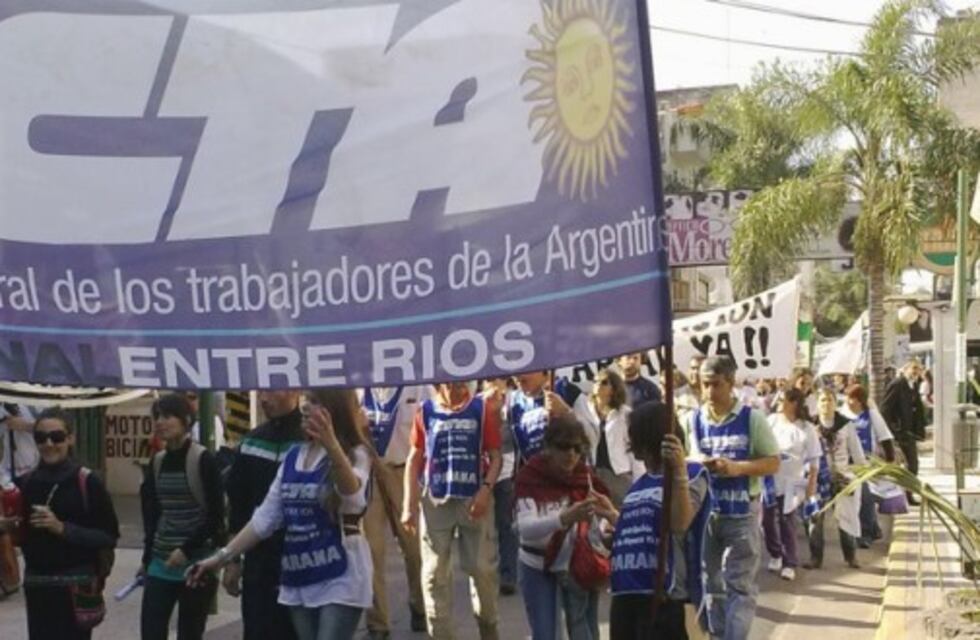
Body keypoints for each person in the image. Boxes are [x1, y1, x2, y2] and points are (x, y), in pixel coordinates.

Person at [189, 389, 374, 640]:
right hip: (298, 574)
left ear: (333, 410)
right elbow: (264, 519)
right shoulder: (293, 457)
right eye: (306, 403)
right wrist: (221, 558)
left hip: (340, 574)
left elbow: (352, 495)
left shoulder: (356, 453)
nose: (306, 409)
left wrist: (331, 445)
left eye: (315, 403)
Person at [0, 407, 119, 640]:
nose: (48, 444)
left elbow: (108, 536)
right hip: (38, 587)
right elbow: (21, 534)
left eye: (56, 437)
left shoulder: (87, 481)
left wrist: (62, 528)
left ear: (70, 438)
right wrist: (8, 526)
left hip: (76, 588)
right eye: (41, 438)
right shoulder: (26, 482)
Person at [401, 381, 502, 640]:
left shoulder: (480, 408)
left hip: (474, 500)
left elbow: (496, 455)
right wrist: (408, 505)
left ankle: (488, 629)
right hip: (436, 500)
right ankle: (442, 635)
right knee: (434, 573)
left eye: (459, 380)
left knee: (480, 569)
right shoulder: (425, 410)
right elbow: (414, 458)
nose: (455, 386)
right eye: (447, 380)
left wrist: (486, 490)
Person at [688, 356, 779, 640]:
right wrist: (700, 462)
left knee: (739, 586)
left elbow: (773, 462)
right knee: (711, 583)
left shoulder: (752, 418)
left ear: (731, 383)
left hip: (742, 513)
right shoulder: (694, 418)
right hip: (708, 514)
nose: (710, 392)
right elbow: (689, 459)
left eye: (716, 385)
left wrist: (737, 467)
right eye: (705, 385)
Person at [609, 401, 712, 640]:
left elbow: (679, 523)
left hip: (666, 598)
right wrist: (613, 523)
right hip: (627, 593)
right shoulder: (638, 485)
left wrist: (677, 472)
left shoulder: (693, 475)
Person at [514, 413, 617, 640]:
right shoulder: (530, 476)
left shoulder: (584, 477)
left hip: (575, 565)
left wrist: (606, 521)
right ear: (549, 448)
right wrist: (564, 519)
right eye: (563, 447)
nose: (570, 454)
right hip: (537, 565)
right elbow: (526, 529)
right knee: (546, 634)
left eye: (577, 448)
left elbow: (601, 520)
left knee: (585, 630)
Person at [140, 394, 226, 640]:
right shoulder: (157, 462)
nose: (160, 422)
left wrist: (187, 549)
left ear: (186, 420)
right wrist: (147, 558)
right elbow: (153, 514)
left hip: (197, 564)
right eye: (156, 417)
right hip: (161, 561)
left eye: (167, 416)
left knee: (190, 632)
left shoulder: (203, 460)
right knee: (151, 630)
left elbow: (216, 517)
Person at [224, 390, 304, 640]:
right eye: (262, 391)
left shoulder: (313, 441)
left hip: (303, 561)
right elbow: (238, 506)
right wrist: (233, 561)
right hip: (259, 564)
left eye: (273, 390)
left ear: (295, 391)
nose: (264, 398)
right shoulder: (251, 443)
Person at [360, 385, 428, 637]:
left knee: (414, 548)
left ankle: (420, 605)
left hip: (404, 472)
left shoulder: (418, 385)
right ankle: (378, 623)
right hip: (370, 473)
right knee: (371, 549)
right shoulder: (359, 387)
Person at [761, 388, 820, 582]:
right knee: (767, 521)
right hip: (770, 479)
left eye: (783, 399)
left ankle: (789, 562)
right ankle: (775, 553)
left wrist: (811, 485)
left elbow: (814, 460)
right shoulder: (771, 422)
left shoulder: (807, 428)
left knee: (787, 521)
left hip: (792, 482)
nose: (778, 402)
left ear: (793, 402)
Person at [806, 389, 864, 570]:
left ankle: (851, 555)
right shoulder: (810, 426)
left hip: (842, 477)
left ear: (835, 403)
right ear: (817, 404)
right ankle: (816, 557)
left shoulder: (846, 425)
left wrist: (860, 474)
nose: (826, 404)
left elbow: (857, 452)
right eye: (822, 400)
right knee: (815, 518)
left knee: (846, 518)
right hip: (818, 479)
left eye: (829, 400)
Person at [843, 384, 896, 547]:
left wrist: (890, 460)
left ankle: (865, 532)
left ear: (859, 400)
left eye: (851, 398)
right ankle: (873, 528)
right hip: (848, 463)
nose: (848, 401)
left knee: (866, 496)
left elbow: (885, 437)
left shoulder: (871, 415)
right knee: (855, 499)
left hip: (867, 462)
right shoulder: (843, 415)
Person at [482, 378, 519, 597]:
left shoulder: (513, 404)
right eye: (490, 379)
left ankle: (508, 575)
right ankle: (487, 572)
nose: (495, 384)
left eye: (499, 379)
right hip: (483, 472)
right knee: (485, 527)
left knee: (506, 524)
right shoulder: (478, 403)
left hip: (506, 471)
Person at [578, 369, 636, 505]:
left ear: (614, 388)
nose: (598, 385)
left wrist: (639, 479)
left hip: (619, 472)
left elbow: (633, 447)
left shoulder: (625, 413)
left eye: (604, 382)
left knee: (621, 510)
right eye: (596, 381)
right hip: (593, 471)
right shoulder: (584, 410)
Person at [510, 371, 585, 465]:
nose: (517, 377)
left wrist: (566, 412)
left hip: (571, 473)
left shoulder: (567, 390)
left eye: (524, 370)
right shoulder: (514, 403)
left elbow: (592, 433)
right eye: (514, 374)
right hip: (536, 475)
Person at [881, 359, 926, 505]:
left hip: (909, 433)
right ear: (905, 369)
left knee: (912, 465)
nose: (916, 372)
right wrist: (894, 430)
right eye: (913, 368)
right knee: (909, 465)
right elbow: (885, 410)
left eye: (919, 369)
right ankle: (903, 495)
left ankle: (907, 494)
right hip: (900, 434)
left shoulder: (913, 385)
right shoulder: (897, 384)